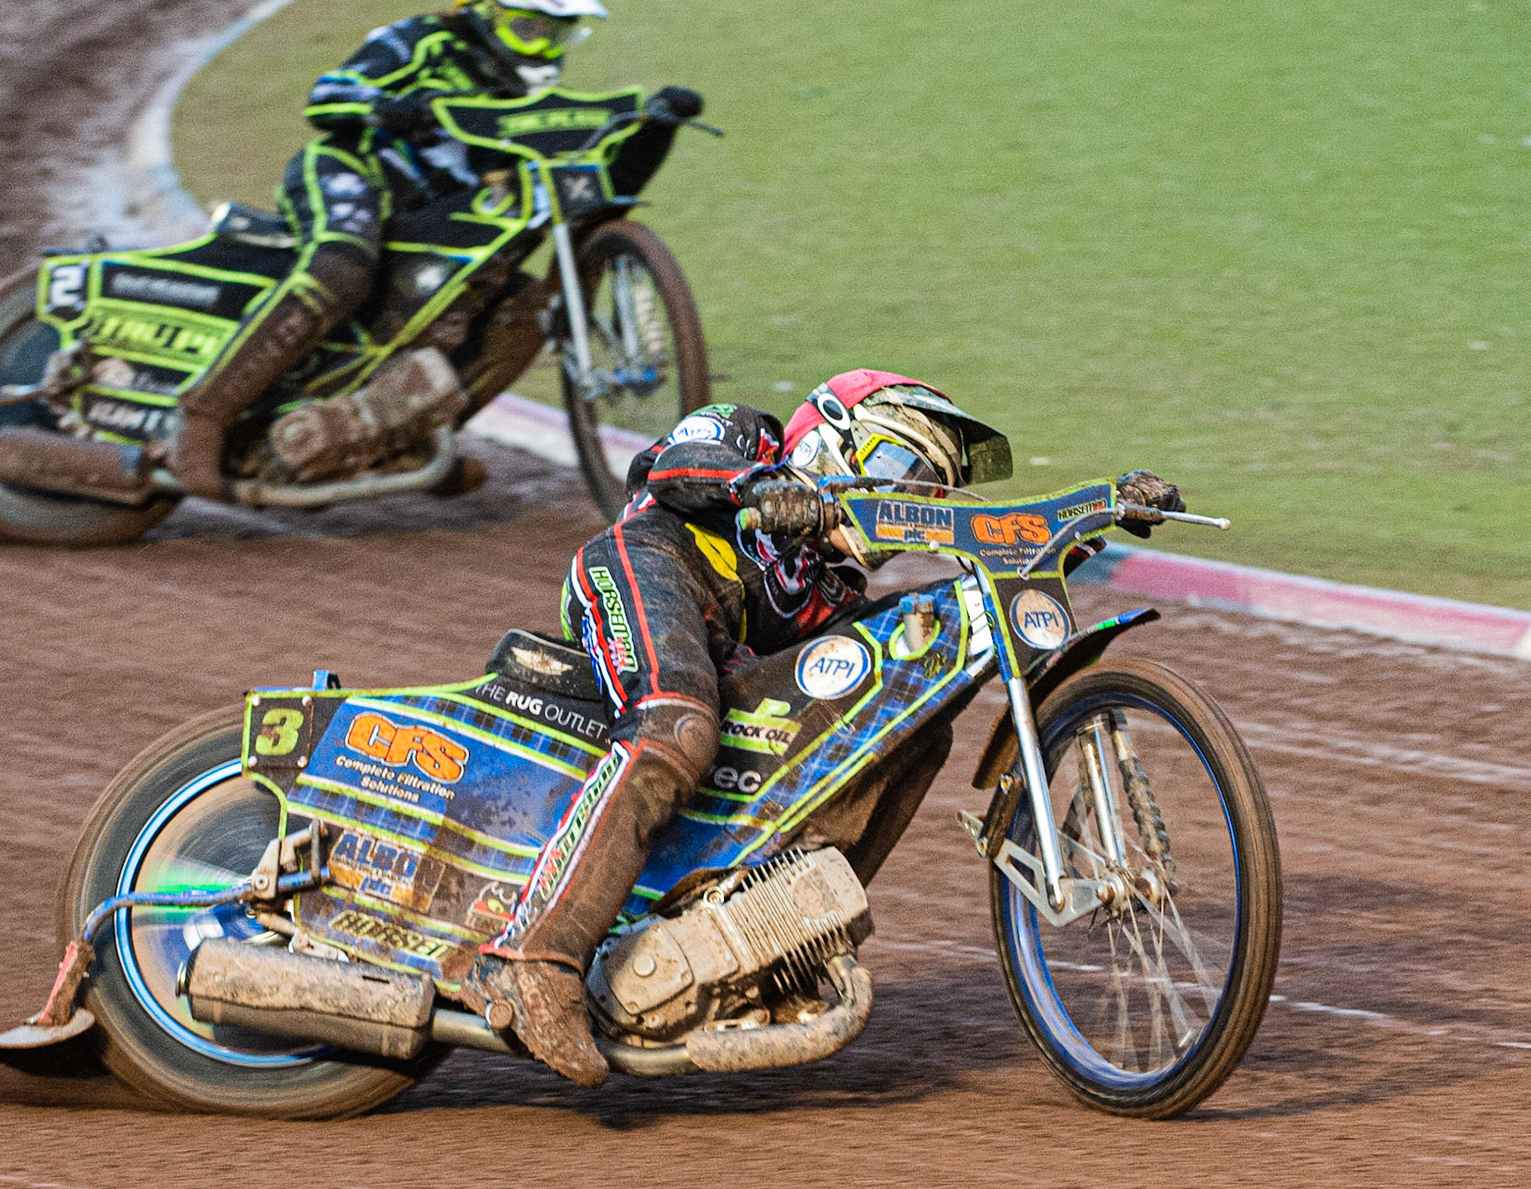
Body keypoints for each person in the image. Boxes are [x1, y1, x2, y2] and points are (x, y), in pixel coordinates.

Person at [463, 370, 1184, 1086]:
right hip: (646, 566)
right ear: (832, 438)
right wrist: (759, 487)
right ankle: (530, 959)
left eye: (925, 491)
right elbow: (672, 468)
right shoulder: (750, 434)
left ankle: (782, 949)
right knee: (675, 725)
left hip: (727, 655)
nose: (906, 499)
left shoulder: (828, 592)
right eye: (900, 470)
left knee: (913, 726)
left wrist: (1090, 522)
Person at [169, 0, 703, 498]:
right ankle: (203, 416)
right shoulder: (422, 39)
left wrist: (655, 132)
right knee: (341, 267)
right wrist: (393, 108)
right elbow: (327, 96)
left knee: (529, 310)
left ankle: (406, 440)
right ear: (484, 12)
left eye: (560, 33)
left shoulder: (530, 107)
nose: (546, 48)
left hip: (433, 219)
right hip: (354, 171)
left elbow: (595, 201)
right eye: (530, 29)